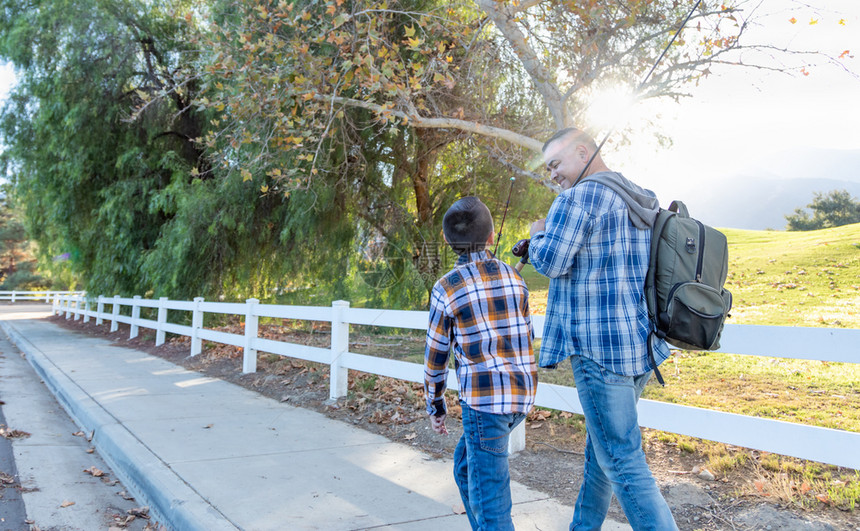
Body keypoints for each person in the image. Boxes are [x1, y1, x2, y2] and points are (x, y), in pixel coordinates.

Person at [528, 127, 678, 531]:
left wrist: (537, 234)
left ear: (582, 152)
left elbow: (553, 262)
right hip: (639, 346)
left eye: (556, 164)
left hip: (599, 351)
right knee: (603, 456)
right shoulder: (640, 195)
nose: (553, 176)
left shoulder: (579, 197)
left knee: (624, 463)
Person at [424, 196, 537, 531]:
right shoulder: (515, 280)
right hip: (521, 398)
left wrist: (435, 404)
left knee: (491, 502)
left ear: (447, 241)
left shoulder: (446, 288)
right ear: (491, 238)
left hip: (485, 406)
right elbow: (525, 335)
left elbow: (436, 358)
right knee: (464, 467)